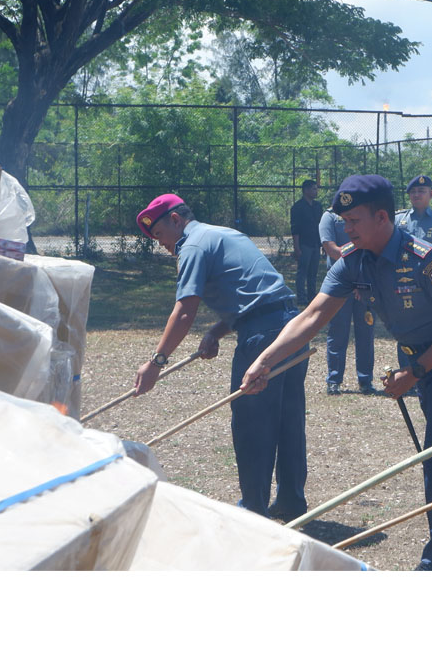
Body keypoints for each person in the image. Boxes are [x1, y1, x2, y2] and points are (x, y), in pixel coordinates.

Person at [240, 174, 432, 571]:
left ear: (382, 217)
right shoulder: (353, 261)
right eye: (344, 222)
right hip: (418, 362)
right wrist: (264, 360)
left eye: (353, 221)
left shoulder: (424, 258)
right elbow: (314, 315)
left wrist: (415, 372)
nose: (346, 229)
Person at [132, 193, 309, 521]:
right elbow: (255, 295)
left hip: (262, 336)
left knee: (252, 421)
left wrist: (157, 362)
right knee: (288, 418)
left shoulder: (193, 246)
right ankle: (290, 501)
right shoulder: (223, 233)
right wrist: (215, 332)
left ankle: (253, 511)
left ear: (175, 220)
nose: (160, 244)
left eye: (159, 235)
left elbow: (185, 311)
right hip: (292, 327)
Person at [319, 205, 376, 396]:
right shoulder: (329, 217)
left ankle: (366, 380)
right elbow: (332, 250)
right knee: (338, 333)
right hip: (340, 284)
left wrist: (361, 279)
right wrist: (356, 253)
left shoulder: (363, 216)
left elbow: (372, 247)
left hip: (365, 283)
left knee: (366, 332)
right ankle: (334, 380)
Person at [290, 179, 324, 305]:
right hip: (304, 244)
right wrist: (297, 248)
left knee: (313, 273)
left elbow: (321, 226)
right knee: (302, 272)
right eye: (314, 189)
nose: (316, 191)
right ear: (306, 190)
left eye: (316, 188)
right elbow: (295, 229)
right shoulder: (297, 207)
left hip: (316, 243)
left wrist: (323, 244)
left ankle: (311, 296)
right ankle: (301, 298)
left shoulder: (318, 206)